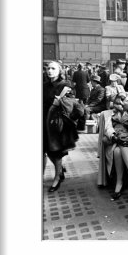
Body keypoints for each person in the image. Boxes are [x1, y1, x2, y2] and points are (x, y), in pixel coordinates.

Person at [97, 93, 128, 200]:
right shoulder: (110, 115)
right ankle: (127, 178)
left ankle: (121, 182)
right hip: (114, 142)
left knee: (121, 146)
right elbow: (108, 128)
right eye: (127, 101)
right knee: (117, 150)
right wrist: (114, 137)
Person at [43, 61, 84, 192]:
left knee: (56, 152)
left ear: (59, 71)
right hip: (43, 122)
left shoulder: (65, 86)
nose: (50, 71)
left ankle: (57, 177)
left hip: (57, 124)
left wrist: (61, 103)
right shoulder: (44, 85)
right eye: (48, 68)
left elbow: (72, 106)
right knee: (44, 150)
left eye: (53, 68)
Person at [72, 63, 91, 130]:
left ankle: (81, 118)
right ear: (83, 67)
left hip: (78, 90)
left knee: (80, 104)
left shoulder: (75, 73)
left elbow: (73, 82)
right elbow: (88, 81)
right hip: (85, 90)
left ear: (78, 67)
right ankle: (84, 121)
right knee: (85, 104)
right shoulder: (86, 73)